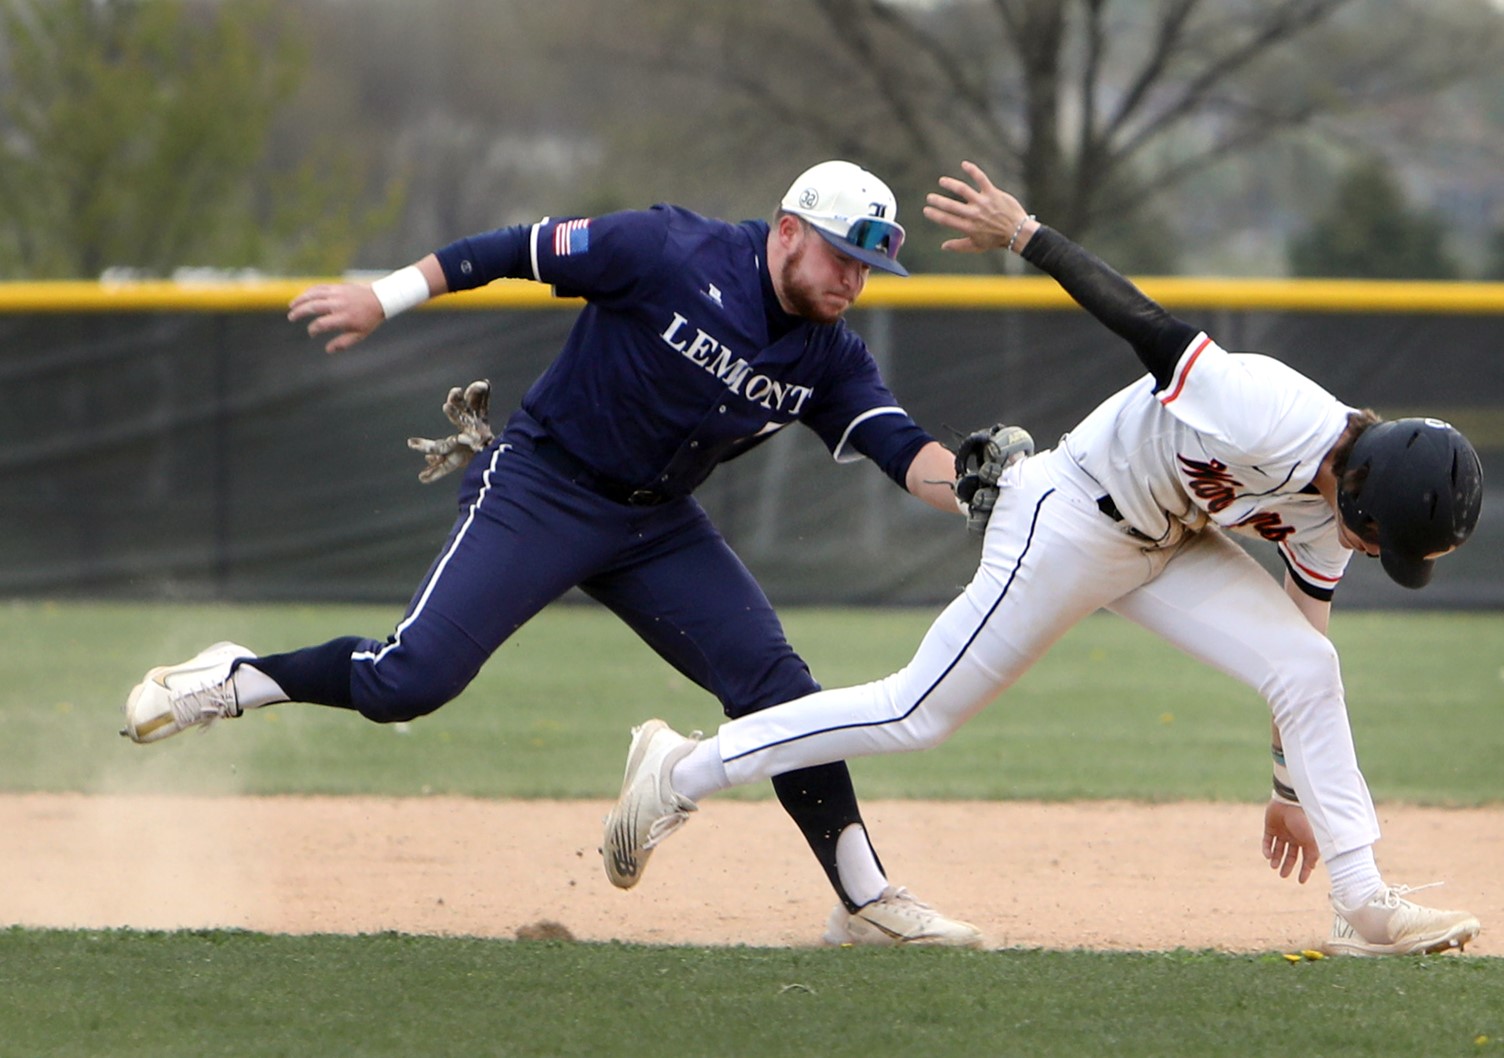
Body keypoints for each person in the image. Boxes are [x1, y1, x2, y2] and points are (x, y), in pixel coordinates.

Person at [603, 160, 1487, 957]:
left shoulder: (1341, 509)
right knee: (916, 713)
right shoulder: (1271, 410)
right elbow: (1147, 324)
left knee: (1310, 664)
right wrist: (1026, 235)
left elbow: (1303, 632)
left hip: (1171, 546)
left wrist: (1293, 788)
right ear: (1364, 485)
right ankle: (680, 768)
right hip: (1069, 517)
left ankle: (1363, 904)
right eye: (1386, 537)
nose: (1377, 552)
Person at [120, 159, 989, 948]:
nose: (855, 278)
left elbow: (903, 452)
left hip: (657, 524)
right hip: (545, 485)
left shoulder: (829, 355)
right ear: (789, 231)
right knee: (407, 683)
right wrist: (381, 298)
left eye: (868, 266)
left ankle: (865, 900)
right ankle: (237, 678)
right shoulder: (668, 249)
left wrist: (984, 483)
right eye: (841, 255)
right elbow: (511, 248)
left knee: (784, 694)